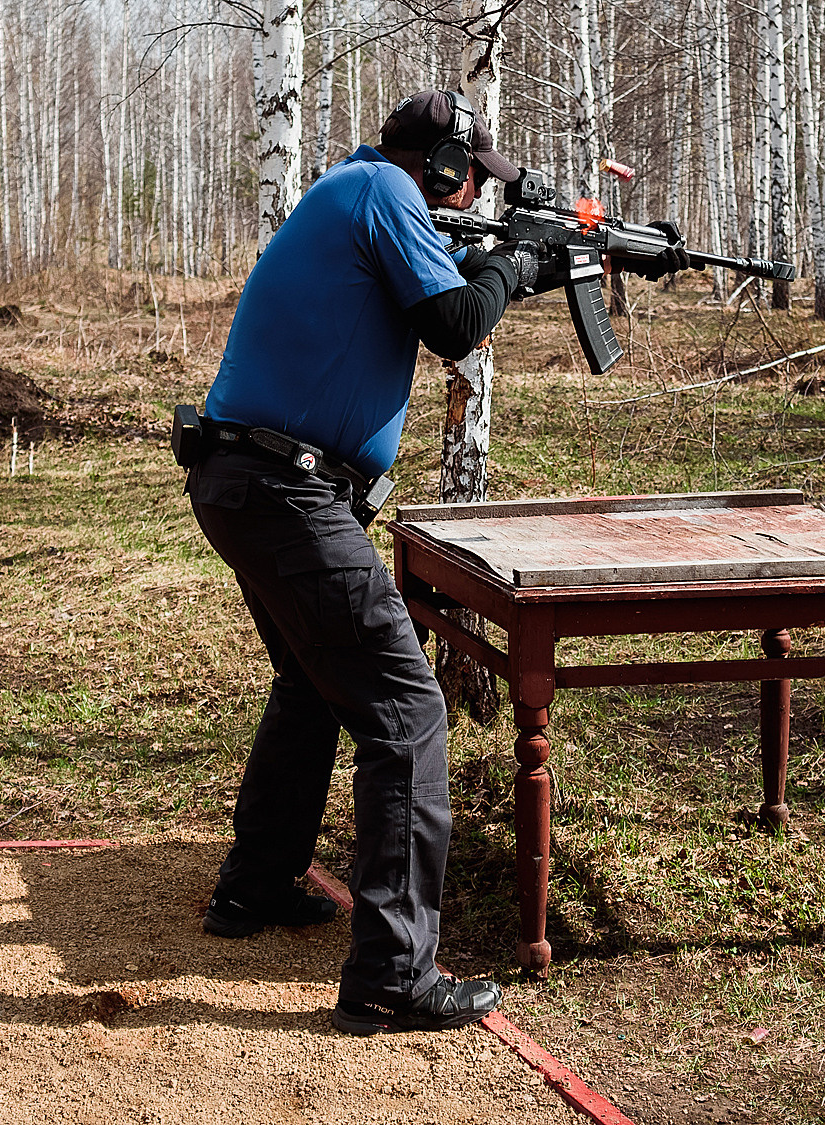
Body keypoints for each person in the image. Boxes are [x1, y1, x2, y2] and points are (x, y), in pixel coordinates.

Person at [183, 89, 543, 1036]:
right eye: (465, 177)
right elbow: (458, 325)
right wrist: (517, 261)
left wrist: (502, 263)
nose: (468, 194)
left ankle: (254, 885)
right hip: (281, 488)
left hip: (243, 478)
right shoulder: (384, 189)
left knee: (310, 678)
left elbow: (444, 284)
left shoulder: (357, 186)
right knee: (408, 711)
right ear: (437, 165)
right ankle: (393, 973)